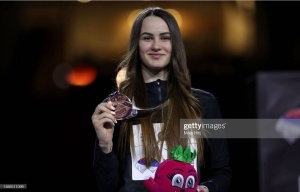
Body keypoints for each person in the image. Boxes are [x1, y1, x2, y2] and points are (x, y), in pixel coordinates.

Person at [91, 6, 231, 192]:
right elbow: (107, 187)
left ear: (175, 45)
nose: (156, 45)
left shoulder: (203, 104)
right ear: (136, 44)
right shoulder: (116, 106)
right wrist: (105, 145)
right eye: (147, 38)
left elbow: (223, 173)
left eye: (165, 37)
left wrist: (205, 189)